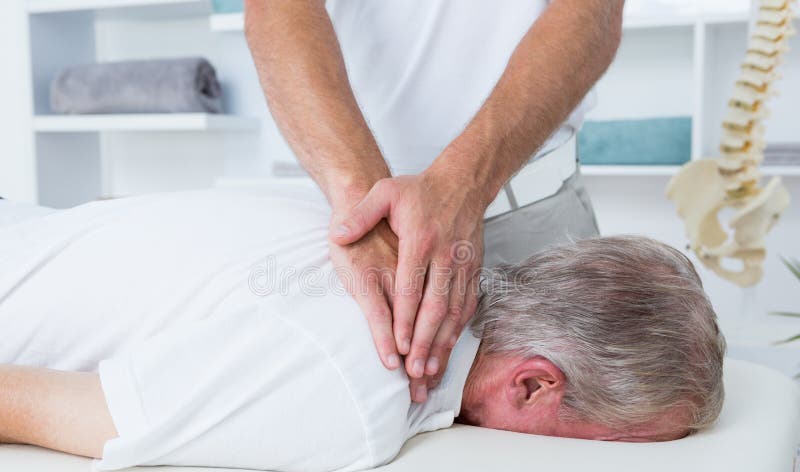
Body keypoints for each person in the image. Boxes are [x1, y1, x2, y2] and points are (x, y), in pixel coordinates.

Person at [0, 188, 725, 472]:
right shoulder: (360, 385)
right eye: (631, 446)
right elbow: (21, 401)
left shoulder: (395, 248)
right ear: (533, 384)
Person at [243, 0, 625, 402]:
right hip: (349, 224)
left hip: (529, 215)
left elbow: (593, 13)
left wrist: (463, 186)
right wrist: (364, 206)